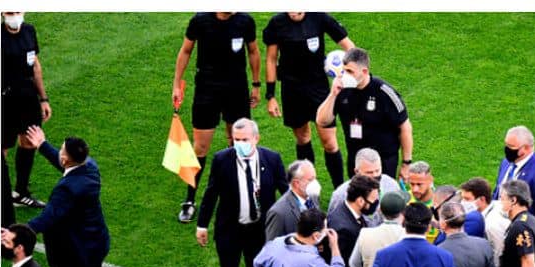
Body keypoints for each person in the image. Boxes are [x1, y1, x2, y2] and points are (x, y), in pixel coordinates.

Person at [23, 126, 129, 267]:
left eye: (61, 150)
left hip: (72, 253)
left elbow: (47, 218)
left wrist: (18, 231)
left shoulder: (66, 190)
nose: (59, 152)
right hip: (95, 243)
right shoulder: (90, 168)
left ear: (66, 158)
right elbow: (67, 166)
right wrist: (43, 145)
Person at [196, 118, 288, 267]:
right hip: (230, 229)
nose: (240, 144)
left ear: (256, 138)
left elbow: (285, 191)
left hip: (259, 228)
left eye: (244, 139)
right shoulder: (222, 160)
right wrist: (202, 224)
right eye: (236, 140)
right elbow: (211, 193)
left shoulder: (272, 159)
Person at [173, 12, 261, 223]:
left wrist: (256, 85)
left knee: (238, 143)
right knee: (200, 147)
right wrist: (177, 84)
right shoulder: (200, 21)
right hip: (207, 90)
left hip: (237, 90)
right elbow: (186, 50)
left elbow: (254, 52)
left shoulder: (245, 21)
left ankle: (242, 194)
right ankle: (190, 200)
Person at [263, 12, 355, 187]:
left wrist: (355, 72)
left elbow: (349, 46)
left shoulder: (319, 17)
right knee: (303, 138)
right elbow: (271, 59)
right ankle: (308, 189)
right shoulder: (277, 23)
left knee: (329, 142)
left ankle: (340, 189)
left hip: (318, 89)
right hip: (291, 90)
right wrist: (271, 95)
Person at [316, 47, 413, 181]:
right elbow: (322, 121)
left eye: (350, 71)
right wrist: (333, 94)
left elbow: (405, 127)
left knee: (381, 199)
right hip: (357, 160)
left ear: (364, 71)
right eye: (344, 71)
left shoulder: (384, 92)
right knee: (358, 199)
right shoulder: (341, 90)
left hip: (382, 162)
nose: (346, 75)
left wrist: (406, 163)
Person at [2, 11, 52, 209]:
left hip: (28, 97)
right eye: (9, 12)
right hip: (4, 100)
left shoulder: (29, 31)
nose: (13, 16)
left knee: (30, 140)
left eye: (16, 12)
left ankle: (20, 192)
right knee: (1, 149)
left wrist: (44, 99)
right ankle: (0, 196)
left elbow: (35, 66)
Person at [492, 126, 535, 253]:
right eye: (506, 145)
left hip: (523, 237)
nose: (507, 150)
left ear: (526, 148)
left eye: (511, 147)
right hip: (500, 231)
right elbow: (497, 192)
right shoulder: (506, 163)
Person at [328, 147, 401, 223]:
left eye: (377, 170)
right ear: (357, 171)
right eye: (369, 172)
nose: (375, 175)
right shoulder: (340, 195)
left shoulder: (391, 185)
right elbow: (333, 221)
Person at [460, 177, 510, 267]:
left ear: (482, 199)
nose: (463, 203)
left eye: (467, 199)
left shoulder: (491, 224)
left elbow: (498, 255)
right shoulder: (494, 207)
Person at [265, 159, 320, 241]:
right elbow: (272, 246)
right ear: (296, 183)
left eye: (315, 178)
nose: (315, 183)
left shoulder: (312, 196)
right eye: (310, 180)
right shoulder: (279, 213)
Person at [404, 161, 437, 242]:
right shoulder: (404, 201)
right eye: (412, 184)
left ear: (430, 180)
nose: (415, 189)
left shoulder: (441, 203)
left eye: (419, 184)